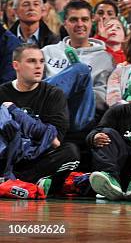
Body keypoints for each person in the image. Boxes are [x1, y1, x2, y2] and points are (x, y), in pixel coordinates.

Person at [0, 44, 79, 195]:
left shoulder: (54, 94)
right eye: (31, 61)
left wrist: (17, 114)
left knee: (71, 152)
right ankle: (27, 183)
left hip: (38, 158)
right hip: (7, 156)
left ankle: (14, 182)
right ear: (16, 65)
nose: (38, 66)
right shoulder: (2, 93)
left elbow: (55, 140)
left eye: (42, 61)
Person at [42, 0, 115, 115]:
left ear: (92, 22)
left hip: (81, 114)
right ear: (65, 23)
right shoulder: (47, 52)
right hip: (50, 111)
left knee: (81, 69)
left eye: (84, 19)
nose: (80, 24)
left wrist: (76, 92)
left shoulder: (105, 58)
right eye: (74, 20)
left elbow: (103, 98)